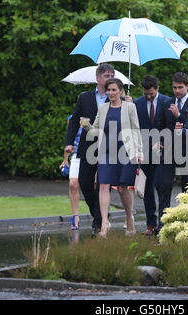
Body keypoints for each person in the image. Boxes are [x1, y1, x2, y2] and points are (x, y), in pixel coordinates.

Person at [83, 78, 143, 238]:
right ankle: (104, 223)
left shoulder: (130, 107)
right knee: (103, 185)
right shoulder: (102, 108)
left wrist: (139, 152)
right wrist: (86, 125)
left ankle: (129, 217)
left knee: (123, 188)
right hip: (106, 152)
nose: (110, 93)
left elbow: (136, 130)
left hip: (126, 152)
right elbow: (95, 129)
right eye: (108, 90)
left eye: (114, 90)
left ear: (120, 91)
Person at [65, 63, 115, 238]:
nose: (109, 79)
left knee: (103, 184)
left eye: (111, 76)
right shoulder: (84, 97)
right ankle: (100, 216)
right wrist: (69, 143)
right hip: (87, 146)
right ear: (98, 78)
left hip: (108, 147)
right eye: (106, 76)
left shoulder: (117, 97)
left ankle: (98, 223)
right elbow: (73, 122)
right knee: (85, 182)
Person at [156, 72, 188, 232]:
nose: (177, 91)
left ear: (187, 86)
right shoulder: (166, 102)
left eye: (180, 87)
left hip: (187, 152)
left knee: (186, 189)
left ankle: (186, 226)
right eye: (174, 87)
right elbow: (160, 125)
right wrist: (159, 142)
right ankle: (163, 225)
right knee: (164, 187)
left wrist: (178, 115)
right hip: (168, 152)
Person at [133, 75, 170, 236]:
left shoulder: (167, 102)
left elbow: (169, 125)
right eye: (146, 93)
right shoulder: (136, 103)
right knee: (147, 188)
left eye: (151, 93)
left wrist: (162, 142)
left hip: (163, 152)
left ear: (157, 88)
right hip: (145, 153)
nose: (148, 96)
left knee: (161, 186)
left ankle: (164, 224)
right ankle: (150, 224)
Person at [60, 115, 82, 230]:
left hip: (92, 156)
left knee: (95, 186)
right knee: (73, 184)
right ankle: (75, 217)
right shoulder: (71, 118)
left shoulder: (95, 114)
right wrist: (65, 160)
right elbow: (69, 139)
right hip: (76, 155)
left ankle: (101, 217)